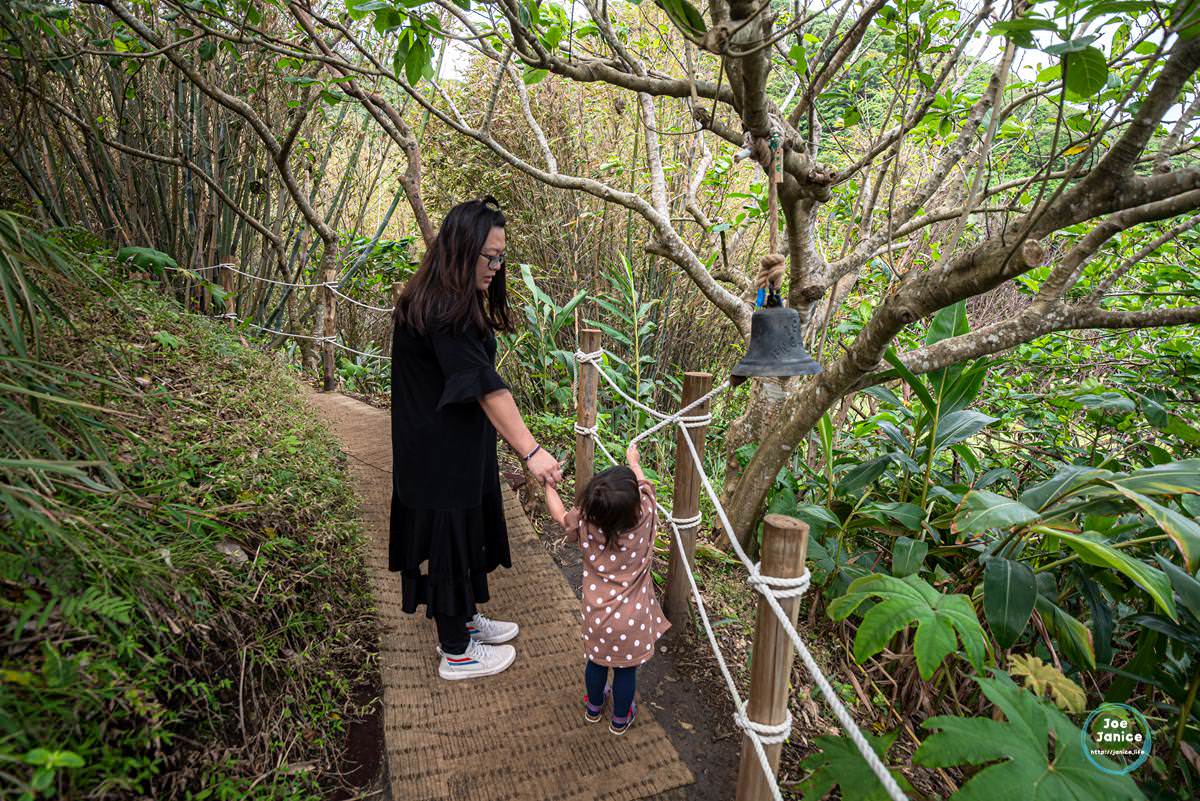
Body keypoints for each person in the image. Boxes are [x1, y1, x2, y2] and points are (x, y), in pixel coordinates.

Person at [390, 196, 563, 681]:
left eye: (501, 256)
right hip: (438, 454)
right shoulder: (446, 308)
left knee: (463, 536)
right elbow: (486, 386)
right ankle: (457, 652)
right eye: (489, 256)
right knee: (448, 540)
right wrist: (531, 451)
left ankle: (464, 620)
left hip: (449, 447)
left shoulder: (442, 297)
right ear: (462, 249)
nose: (495, 266)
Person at [544, 443, 669, 734]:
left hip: (597, 614)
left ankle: (593, 708)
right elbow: (643, 484)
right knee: (625, 671)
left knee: (597, 663)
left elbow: (560, 514)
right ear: (635, 505)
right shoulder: (647, 514)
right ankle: (620, 719)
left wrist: (549, 486)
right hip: (634, 617)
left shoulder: (585, 527)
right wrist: (633, 461)